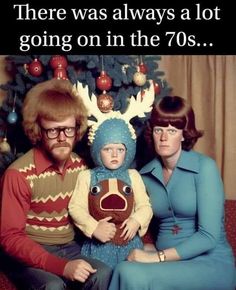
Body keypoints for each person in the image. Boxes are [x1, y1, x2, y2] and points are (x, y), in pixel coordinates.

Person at [109, 96, 235, 290]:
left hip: (210, 263)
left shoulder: (205, 168)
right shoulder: (145, 174)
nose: (164, 137)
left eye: (172, 131)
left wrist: (158, 257)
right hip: (169, 261)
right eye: (159, 130)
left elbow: (208, 236)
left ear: (184, 134)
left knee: (129, 273)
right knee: (122, 267)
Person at [0, 79, 112, 290]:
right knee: (52, 286)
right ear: (38, 131)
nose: (62, 138)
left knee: (103, 273)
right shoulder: (18, 174)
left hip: (69, 247)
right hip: (28, 252)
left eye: (68, 130)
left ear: (76, 128)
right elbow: (10, 238)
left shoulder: (81, 166)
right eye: (53, 130)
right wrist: (60, 266)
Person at [68, 82, 153, 269]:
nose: (114, 155)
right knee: (102, 277)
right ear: (97, 150)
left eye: (120, 150)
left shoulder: (133, 175)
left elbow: (145, 206)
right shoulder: (87, 176)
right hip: (98, 246)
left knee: (130, 277)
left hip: (129, 244)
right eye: (107, 149)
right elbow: (76, 207)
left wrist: (136, 220)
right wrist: (93, 227)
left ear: (128, 151)